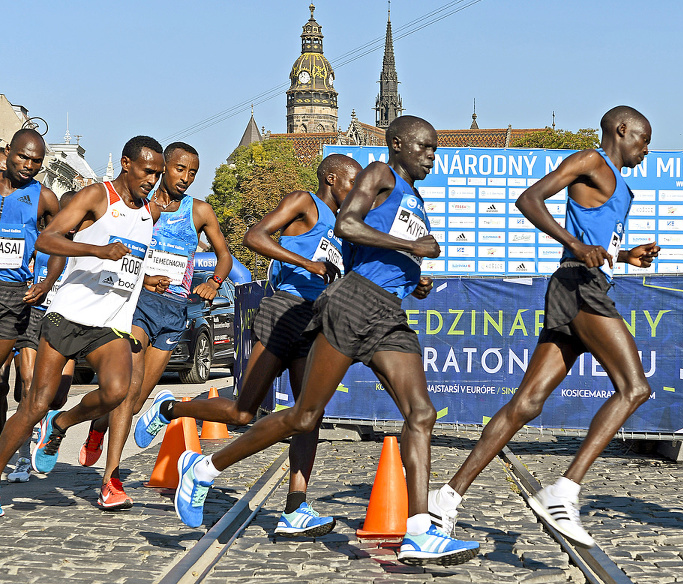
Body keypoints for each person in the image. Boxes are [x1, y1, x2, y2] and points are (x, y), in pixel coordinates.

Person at [172, 116, 479, 566]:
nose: (432, 156)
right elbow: (346, 229)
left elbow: (359, 251)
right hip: (353, 304)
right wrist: (410, 249)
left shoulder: (415, 198)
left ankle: (418, 531)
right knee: (304, 415)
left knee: (421, 413)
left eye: (435, 148)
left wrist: (413, 277)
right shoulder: (380, 173)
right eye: (425, 147)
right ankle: (203, 469)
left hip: (388, 312)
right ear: (397, 145)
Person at [428, 106, 659, 548]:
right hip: (578, 288)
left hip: (583, 283)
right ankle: (563, 492)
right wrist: (574, 244)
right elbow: (529, 200)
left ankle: (446, 497)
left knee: (527, 403)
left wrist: (626, 256)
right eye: (643, 138)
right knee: (635, 389)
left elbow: (595, 238)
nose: (646, 149)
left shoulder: (619, 185)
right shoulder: (591, 161)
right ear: (621, 130)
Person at [135, 153, 360, 532]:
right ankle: (170, 408)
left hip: (315, 320)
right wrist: (305, 265)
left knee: (309, 418)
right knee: (243, 412)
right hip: (283, 311)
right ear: (333, 179)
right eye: (353, 183)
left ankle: (295, 508)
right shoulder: (305, 202)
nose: (358, 193)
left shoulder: (345, 227)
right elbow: (253, 236)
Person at [0, 135, 163, 517]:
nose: (151, 180)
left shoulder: (148, 213)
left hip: (110, 323)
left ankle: (63, 425)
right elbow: (47, 239)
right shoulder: (96, 196)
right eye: (146, 171)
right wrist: (97, 249)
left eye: (156, 174)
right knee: (34, 405)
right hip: (68, 314)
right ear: (126, 163)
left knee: (117, 391)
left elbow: (129, 262)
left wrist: (146, 279)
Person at [75, 142, 231, 510]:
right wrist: (144, 276)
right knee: (127, 388)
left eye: (192, 173)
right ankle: (111, 479)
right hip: (138, 306)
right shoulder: (145, 208)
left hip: (176, 312)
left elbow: (224, 256)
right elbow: (121, 247)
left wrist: (214, 282)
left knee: (139, 396)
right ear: (165, 168)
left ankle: (99, 425)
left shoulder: (200, 211)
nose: (186, 178)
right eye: (179, 170)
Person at [7, 190, 78, 483]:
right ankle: (24, 456)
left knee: (58, 396)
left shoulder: (87, 247)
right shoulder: (43, 239)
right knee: (28, 384)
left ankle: (46, 424)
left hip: (67, 321)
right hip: (35, 315)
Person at [0, 131, 60, 433]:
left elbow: (61, 247)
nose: (28, 165)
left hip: (13, 294)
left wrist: (47, 283)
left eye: (36, 161)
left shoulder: (45, 198)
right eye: (23, 157)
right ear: (8, 151)